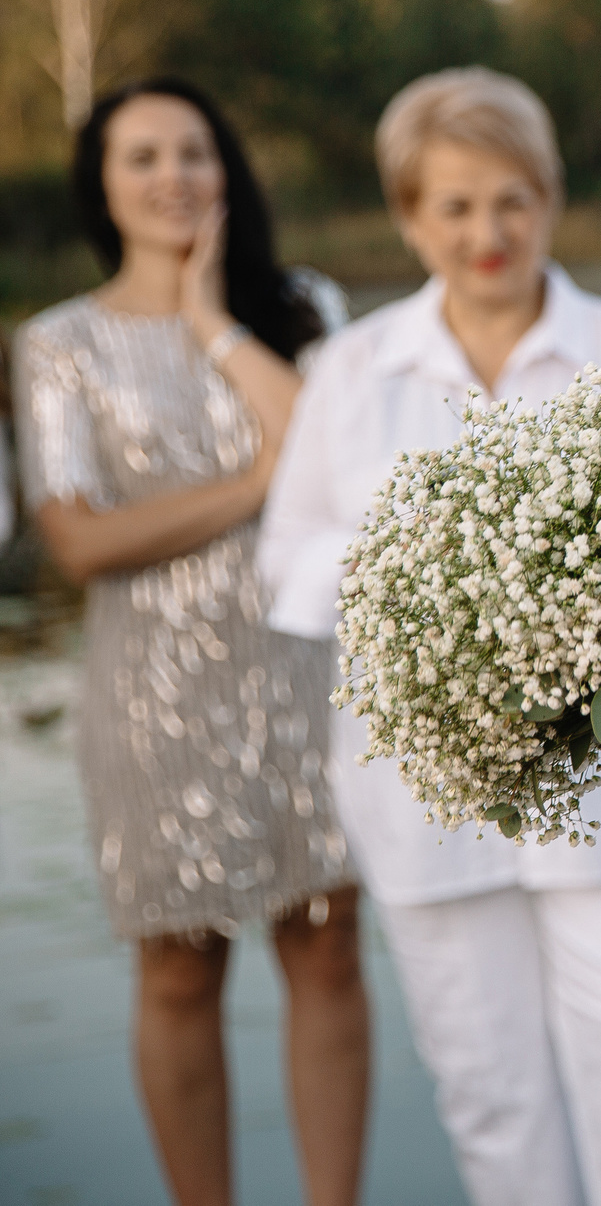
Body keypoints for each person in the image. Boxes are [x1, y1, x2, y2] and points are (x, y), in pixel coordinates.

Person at [255, 67, 601, 1206]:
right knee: (491, 1094)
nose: (488, 233)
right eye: (456, 206)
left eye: (512, 200)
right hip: (426, 801)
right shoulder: (352, 371)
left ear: (552, 198)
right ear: (408, 216)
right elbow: (288, 565)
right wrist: (435, 568)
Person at [15, 79, 363, 1206]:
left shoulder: (301, 304)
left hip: (307, 671)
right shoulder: (60, 344)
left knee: (327, 944)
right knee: (178, 967)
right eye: (143, 156)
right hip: (151, 696)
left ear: (226, 170)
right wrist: (254, 486)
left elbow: (336, 459)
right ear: (102, 186)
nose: (173, 175)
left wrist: (214, 322)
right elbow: (79, 540)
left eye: (194, 152)